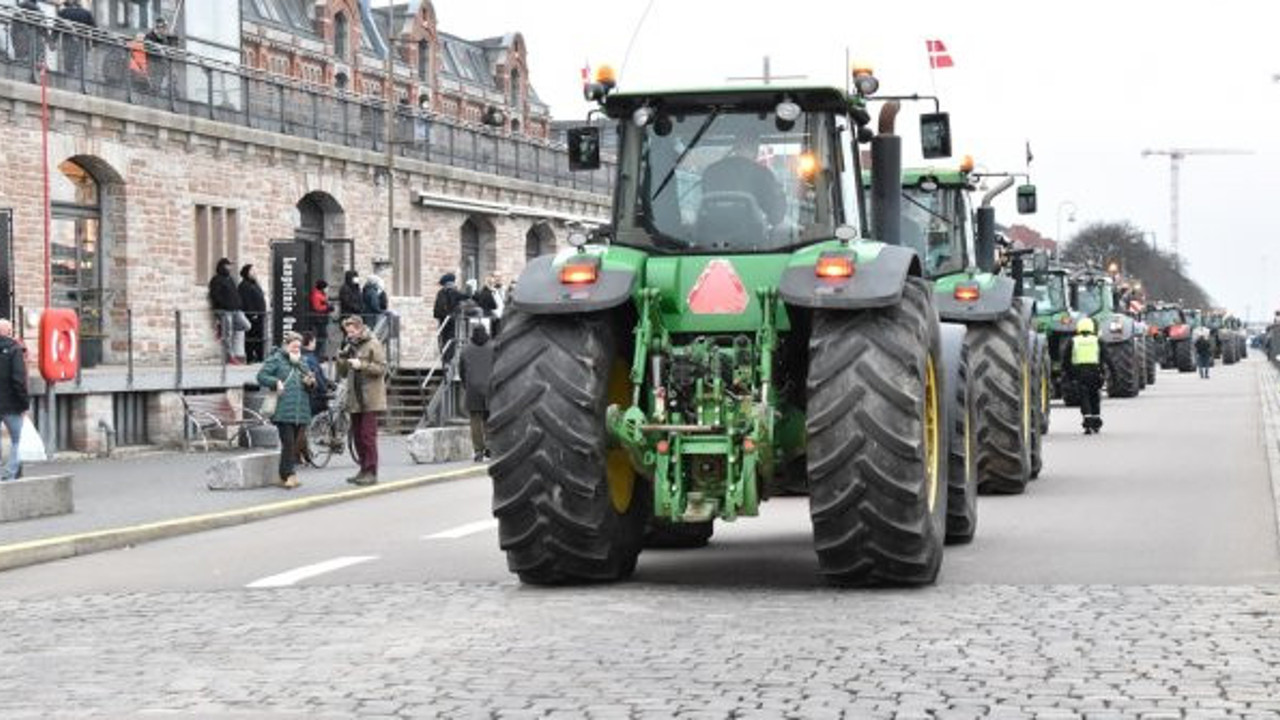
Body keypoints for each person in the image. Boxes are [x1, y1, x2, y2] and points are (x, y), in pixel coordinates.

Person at [255, 331, 315, 489]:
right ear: (286, 345)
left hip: (301, 410)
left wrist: (310, 382)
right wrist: (275, 382)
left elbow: (310, 384)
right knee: (288, 443)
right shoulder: (276, 359)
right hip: (283, 410)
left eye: (298, 347)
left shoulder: (302, 362)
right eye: (293, 346)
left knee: (294, 445)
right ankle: (289, 475)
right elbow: (261, 376)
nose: (296, 349)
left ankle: (285, 475)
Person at [701, 123, 786, 226]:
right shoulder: (764, 175)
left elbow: (704, 207)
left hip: (711, 236)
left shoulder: (711, 171)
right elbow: (775, 218)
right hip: (752, 238)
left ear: (735, 146)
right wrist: (780, 194)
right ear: (756, 147)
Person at [336, 316, 387, 486]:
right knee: (357, 436)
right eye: (347, 332)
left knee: (367, 436)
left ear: (359, 329)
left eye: (351, 331)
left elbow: (382, 368)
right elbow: (343, 373)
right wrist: (342, 358)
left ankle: (371, 471)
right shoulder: (351, 345)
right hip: (355, 398)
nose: (349, 335)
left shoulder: (373, 343)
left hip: (370, 398)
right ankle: (363, 469)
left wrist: (362, 365)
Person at [459, 323, 494, 462]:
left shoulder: (466, 349)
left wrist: (466, 384)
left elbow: (461, 370)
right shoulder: (493, 347)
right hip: (490, 388)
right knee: (489, 419)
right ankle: (490, 447)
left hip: (472, 389)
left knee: (475, 421)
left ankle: (478, 451)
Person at [1063, 317, 1104, 435]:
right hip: (1095, 373)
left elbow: (1066, 361)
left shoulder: (1073, 341)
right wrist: (1109, 373)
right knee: (1095, 397)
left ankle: (1087, 423)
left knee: (1084, 397)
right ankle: (1096, 422)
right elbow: (1106, 358)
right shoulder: (1098, 340)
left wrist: (1069, 376)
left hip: (1080, 373)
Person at [0, 320, 30, 482]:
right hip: (11, 405)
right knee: (18, 440)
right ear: (10, 331)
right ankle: (9, 474)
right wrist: (24, 403)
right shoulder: (14, 349)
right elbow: (18, 380)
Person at [207, 257, 247, 364]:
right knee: (227, 335)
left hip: (235, 310)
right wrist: (224, 305)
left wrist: (239, 304)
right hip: (224, 311)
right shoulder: (216, 280)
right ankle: (231, 356)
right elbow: (214, 295)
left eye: (231, 265)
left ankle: (223, 330)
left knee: (246, 325)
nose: (230, 267)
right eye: (228, 265)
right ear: (223, 266)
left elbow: (235, 293)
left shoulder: (231, 279)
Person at [432, 272, 466, 363]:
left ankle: (446, 361)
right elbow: (465, 297)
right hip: (449, 322)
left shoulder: (442, 293)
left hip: (445, 321)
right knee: (449, 341)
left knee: (446, 342)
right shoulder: (451, 292)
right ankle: (447, 361)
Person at [56, 0, 95, 77]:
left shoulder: (64, 12)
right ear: (80, 3)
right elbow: (94, 29)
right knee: (81, 64)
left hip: (68, 43)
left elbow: (56, 27)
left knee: (68, 64)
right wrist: (95, 43)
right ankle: (81, 81)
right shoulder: (87, 13)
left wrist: (52, 40)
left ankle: (68, 78)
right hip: (83, 44)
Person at [238, 263, 267, 363]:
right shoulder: (244, 285)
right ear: (247, 272)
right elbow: (246, 300)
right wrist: (252, 313)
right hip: (252, 315)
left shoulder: (254, 283)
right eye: (252, 271)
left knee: (259, 336)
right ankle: (250, 357)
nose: (255, 273)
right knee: (251, 336)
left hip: (260, 314)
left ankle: (260, 356)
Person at [12, 0, 47, 70]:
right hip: (27, 36)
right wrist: (49, 40)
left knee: (22, 56)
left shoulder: (20, 8)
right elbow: (43, 26)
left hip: (22, 36)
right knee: (32, 56)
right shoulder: (34, 8)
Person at [475, 272, 506, 337]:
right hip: (493, 317)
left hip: (501, 317)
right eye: (496, 277)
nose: (498, 279)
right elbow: (490, 305)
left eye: (499, 277)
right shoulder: (487, 292)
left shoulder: (502, 289)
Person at [309, 279, 332, 357]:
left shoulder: (320, 294)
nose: (327, 289)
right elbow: (317, 307)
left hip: (322, 318)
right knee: (321, 336)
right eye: (326, 287)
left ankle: (318, 354)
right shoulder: (316, 295)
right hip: (319, 319)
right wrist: (327, 307)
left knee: (322, 336)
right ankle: (316, 355)